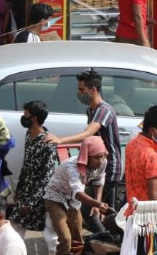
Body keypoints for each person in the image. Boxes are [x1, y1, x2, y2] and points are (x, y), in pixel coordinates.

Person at [44, 135, 110, 255]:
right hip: (55, 198)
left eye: (102, 156)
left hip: (73, 202)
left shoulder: (103, 162)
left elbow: (99, 182)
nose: (100, 161)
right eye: (96, 157)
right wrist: (96, 203)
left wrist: (98, 202)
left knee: (79, 243)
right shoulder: (71, 166)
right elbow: (79, 193)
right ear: (87, 156)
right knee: (65, 240)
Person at [47, 69, 122, 209]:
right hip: (98, 167)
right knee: (103, 209)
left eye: (82, 90)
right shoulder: (91, 110)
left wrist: (61, 140)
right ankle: (110, 230)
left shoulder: (104, 110)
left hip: (109, 166)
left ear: (93, 90)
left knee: (89, 209)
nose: (79, 94)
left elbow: (88, 134)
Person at [10, 100, 59, 236]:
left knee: (50, 233)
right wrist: (19, 190)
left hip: (38, 196)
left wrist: (31, 202)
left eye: (26, 114)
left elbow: (46, 178)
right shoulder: (29, 135)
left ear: (34, 118)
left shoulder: (48, 143)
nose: (23, 117)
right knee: (16, 226)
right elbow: (26, 165)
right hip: (26, 192)